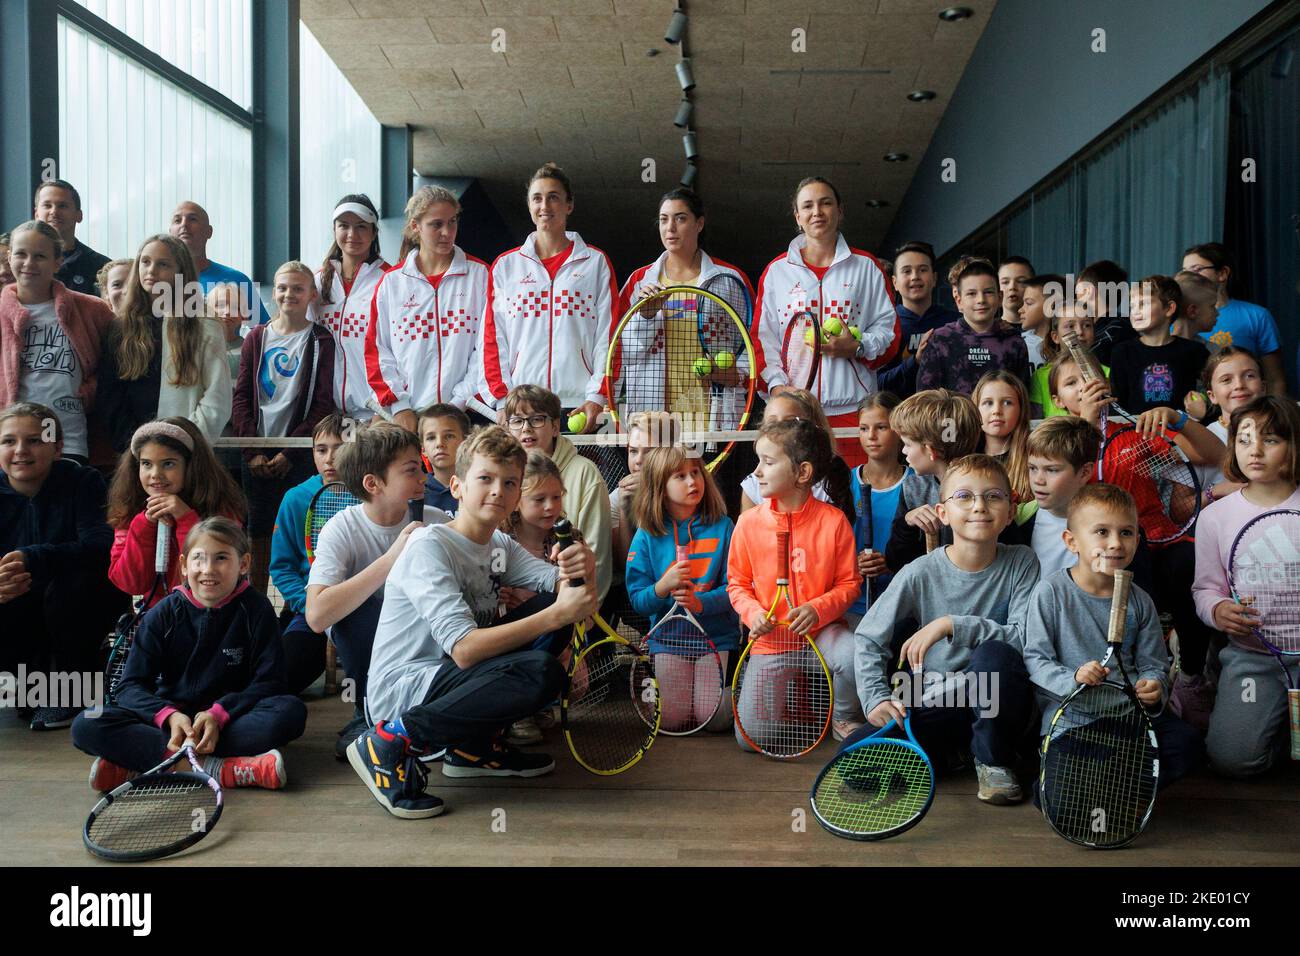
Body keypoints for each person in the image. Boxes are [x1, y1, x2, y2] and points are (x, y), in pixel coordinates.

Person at [349, 426, 598, 819]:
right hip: (404, 692)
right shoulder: (428, 547)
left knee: (551, 612)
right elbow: (464, 650)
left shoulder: (499, 544)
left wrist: (583, 566)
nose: (498, 490)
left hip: (449, 676)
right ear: (457, 486)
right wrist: (558, 611)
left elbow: (566, 592)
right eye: (485, 478)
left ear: (517, 495)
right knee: (538, 670)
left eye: (509, 482)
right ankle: (387, 741)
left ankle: (471, 750)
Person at [1050, 352, 1225, 728]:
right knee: (1129, 554)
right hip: (1106, 558)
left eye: (1092, 377)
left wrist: (1179, 419)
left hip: (1162, 542)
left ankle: (1191, 675)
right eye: (1072, 382)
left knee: (1189, 564)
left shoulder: (1133, 431)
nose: (1086, 385)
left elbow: (1218, 456)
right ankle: (1140, 679)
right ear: (1057, 400)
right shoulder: (1054, 444)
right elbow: (1060, 492)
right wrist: (1085, 426)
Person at [852, 454, 1040, 805]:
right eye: (964, 497)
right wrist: (876, 697)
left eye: (993, 496)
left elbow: (1025, 637)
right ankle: (954, 754)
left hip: (999, 697)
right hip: (942, 697)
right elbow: (867, 636)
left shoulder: (1021, 561)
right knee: (855, 762)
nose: (979, 507)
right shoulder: (920, 571)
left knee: (995, 655)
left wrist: (951, 624)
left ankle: (992, 760)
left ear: (1010, 511)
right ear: (942, 514)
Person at [71, 517, 307, 794]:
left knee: (290, 712)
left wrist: (219, 714)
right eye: (198, 559)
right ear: (183, 565)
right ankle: (220, 770)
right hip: (170, 726)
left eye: (221, 558)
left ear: (243, 564)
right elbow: (129, 687)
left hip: (230, 721)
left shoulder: (257, 610)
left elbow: (271, 682)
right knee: (87, 723)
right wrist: (168, 716)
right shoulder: (162, 614)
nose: (208, 569)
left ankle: (143, 766)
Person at [1024, 483, 1203, 792]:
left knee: (1187, 745)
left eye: (1126, 533)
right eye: (1102, 532)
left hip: (1129, 718)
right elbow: (1036, 660)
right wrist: (1073, 677)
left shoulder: (1140, 600)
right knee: (1059, 799)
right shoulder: (1050, 593)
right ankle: (1103, 779)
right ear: (1072, 541)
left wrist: (1153, 685)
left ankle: (1110, 780)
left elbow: (1153, 664)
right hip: (1074, 723)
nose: (1116, 544)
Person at [304, 422, 450, 757]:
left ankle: (421, 711)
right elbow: (316, 616)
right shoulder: (340, 528)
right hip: (365, 639)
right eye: (412, 471)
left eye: (421, 469)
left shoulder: (436, 520)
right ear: (373, 483)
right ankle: (366, 711)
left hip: (421, 640)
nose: (423, 479)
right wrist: (395, 555)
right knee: (354, 612)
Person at [728, 419, 864, 743]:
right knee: (750, 740)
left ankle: (844, 717)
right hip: (772, 640)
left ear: (802, 473)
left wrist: (818, 609)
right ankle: (775, 700)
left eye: (768, 462)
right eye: (758, 460)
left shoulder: (834, 521)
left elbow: (849, 584)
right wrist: (752, 615)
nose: (757, 471)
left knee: (854, 655)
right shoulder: (747, 524)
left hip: (824, 632)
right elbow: (737, 584)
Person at [752, 176, 900, 466]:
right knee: (800, 496)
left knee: (854, 498)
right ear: (798, 216)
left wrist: (856, 346)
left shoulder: (867, 267)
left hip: (855, 410)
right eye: (807, 206)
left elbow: (890, 334)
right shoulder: (776, 272)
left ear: (840, 210)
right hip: (796, 411)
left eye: (825, 203)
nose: (816, 212)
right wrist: (777, 387)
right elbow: (763, 338)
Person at [1192, 396, 1300, 777]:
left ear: (1293, 445)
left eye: (1270, 440)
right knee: (1231, 760)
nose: (1254, 450)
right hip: (1254, 658)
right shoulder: (1216, 518)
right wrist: (1219, 611)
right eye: (1243, 439)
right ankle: (1278, 733)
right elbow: (1205, 590)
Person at [0, 403, 125, 730]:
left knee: (72, 585)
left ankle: (73, 690)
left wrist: (36, 557)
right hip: (20, 602)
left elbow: (101, 546)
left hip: (75, 600)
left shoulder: (83, 480)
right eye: (9, 441)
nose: (20, 451)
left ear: (57, 448)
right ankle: (30, 686)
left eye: (34, 441)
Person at [479, 163, 618, 433]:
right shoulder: (505, 267)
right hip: (522, 408)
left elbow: (608, 337)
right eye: (537, 198)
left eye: (554, 197)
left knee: (580, 475)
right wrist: (502, 401)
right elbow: (493, 339)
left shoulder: (595, 262)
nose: (545, 206)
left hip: (579, 405)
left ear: (569, 205)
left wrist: (596, 396)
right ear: (529, 206)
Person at [231, 261, 335, 595]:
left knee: (299, 529)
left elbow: (321, 403)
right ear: (273, 292)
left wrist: (289, 452)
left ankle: (299, 605)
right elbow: (243, 397)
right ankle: (256, 601)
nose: (289, 294)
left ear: (312, 295)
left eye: (297, 288)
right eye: (282, 288)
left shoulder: (320, 340)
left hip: (298, 455)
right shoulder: (256, 337)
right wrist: (252, 452)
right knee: (258, 531)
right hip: (257, 456)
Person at [626, 445, 739, 733]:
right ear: (660, 489)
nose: (692, 482)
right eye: (680, 476)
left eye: (696, 472)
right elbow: (638, 600)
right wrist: (662, 588)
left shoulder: (724, 526)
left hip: (715, 639)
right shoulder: (646, 534)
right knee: (673, 721)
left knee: (710, 719)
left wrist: (700, 603)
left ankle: (741, 689)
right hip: (668, 640)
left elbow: (735, 589)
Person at [367, 186, 489, 433]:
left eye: (452, 222)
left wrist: (456, 404)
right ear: (415, 226)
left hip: (463, 415)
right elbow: (377, 350)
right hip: (407, 417)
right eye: (436, 224)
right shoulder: (391, 282)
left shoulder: (481, 275)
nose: (447, 232)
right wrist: (400, 407)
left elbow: (487, 348)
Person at [95, 234, 232, 451]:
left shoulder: (204, 324)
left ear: (181, 271)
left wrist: (184, 443)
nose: (151, 270)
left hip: (187, 450)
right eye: (145, 262)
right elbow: (111, 397)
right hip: (132, 452)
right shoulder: (120, 328)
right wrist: (134, 448)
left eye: (163, 264)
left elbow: (217, 397)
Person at [0, 220, 114, 464]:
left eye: (39, 256)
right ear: (9, 257)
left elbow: (115, 367)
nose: (29, 263)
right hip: (11, 444)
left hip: (69, 438)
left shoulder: (92, 310)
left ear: (58, 261)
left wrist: (89, 392)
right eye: (21, 254)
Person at [105, 418, 246, 607]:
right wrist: (144, 524)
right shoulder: (130, 509)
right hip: (159, 619)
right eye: (146, 464)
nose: (155, 474)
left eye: (168, 463)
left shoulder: (221, 507)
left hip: (213, 615)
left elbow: (209, 577)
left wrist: (186, 520)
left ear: (191, 466)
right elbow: (130, 583)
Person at [500, 385, 612, 601]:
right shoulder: (500, 475)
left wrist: (581, 607)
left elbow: (597, 558)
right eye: (517, 421)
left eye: (536, 419)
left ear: (554, 426)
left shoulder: (584, 472)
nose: (526, 428)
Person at [268, 413, 346, 695]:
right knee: (281, 678)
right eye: (321, 450)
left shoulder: (374, 495)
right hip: (311, 613)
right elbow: (282, 567)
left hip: (362, 611)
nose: (329, 459)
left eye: (340, 449)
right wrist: (311, 605)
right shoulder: (295, 498)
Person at [883, 388, 982, 571]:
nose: (903, 451)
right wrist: (908, 523)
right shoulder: (913, 488)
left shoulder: (985, 486)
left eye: (907, 444)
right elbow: (895, 562)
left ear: (930, 450)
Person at [311, 194, 390, 422]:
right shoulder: (317, 281)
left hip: (376, 413)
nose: (352, 235)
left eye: (361, 227)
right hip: (327, 413)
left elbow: (398, 350)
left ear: (374, 232)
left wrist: (385, 407)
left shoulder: (390, 280)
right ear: (334, 229)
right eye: (343, 226)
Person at [1181, 242, 1287, 395]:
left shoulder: (1257, 316)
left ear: (1222, 273)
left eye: (1197, 269)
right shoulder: (1176, 318)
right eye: (1185, 271)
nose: (1189, 277)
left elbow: (1275, 379)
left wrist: (1273, 416)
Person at [917, 258, 1029, 394]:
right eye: (971, 294)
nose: (981, 300)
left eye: (988, 292)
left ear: (1000, 297)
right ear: (959, 301)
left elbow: (1023, 398)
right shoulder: (940, 340)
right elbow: (925, 400)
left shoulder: (1014, 342)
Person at [847, 392, 907, 629]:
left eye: (881, 427)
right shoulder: (845, 482)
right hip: (853, 604)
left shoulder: (914, 484)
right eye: (863, 428)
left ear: (899, 429)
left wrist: (892, 561)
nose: (871, 436)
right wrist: (854, 564)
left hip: (900, 605)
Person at [1109, 275, 1208, 416]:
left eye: (1143, 304)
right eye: (1132, 306)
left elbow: (1214, 391)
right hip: (1136, 434)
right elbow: (1117, 403)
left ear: (1169, 308)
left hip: (1182, 433)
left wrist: (1203, 404)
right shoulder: (1122, 352)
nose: (1135, 311)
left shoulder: (1194, 351)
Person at [738, 388, 847, 514]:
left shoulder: (831, 481)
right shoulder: (753, 484)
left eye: (789, 421)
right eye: (772, 422)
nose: (779, 428)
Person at [878, 241, 960, 399]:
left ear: (934, 278)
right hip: (899, 419)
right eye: (907, 271)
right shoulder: (882, 325)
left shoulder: (955, 323)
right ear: (894, 282)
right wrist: (915, 361)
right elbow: (878, 383)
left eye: (922, 270)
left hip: (948, 419)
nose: (915, 277)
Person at [168, 200, 271, 326]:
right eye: (177, 220)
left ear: (209, 231)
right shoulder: (159, 279)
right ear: (170, 232)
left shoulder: (237, 280)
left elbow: (264, 333)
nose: (184, 225)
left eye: (192, 219)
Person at [1186, 347, 1264, 500]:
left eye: (1249, 376)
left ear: (1263, 387)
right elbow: (1178, 512)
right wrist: (1214, 492)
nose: (1239, 385)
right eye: (1226, 380)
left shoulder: (1286, 431)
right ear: (1212, 396)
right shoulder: (1198, 440)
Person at [33, 180, 110, 296]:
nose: (54, 211)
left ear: (79, 215)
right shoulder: (19, 262)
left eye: (62, 206)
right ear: (36, 215)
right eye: (47, 205)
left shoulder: (100, 267)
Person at [1029, 304, 1103, 419]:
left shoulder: (1107, 372)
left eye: (1087, 325)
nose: (1079, 332)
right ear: (1055, 337)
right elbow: (1034, 424)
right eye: (1070, 326)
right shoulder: (1040, 377)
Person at [1074, 259, 1132, 365]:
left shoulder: (1111, 332)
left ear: (1088, 291)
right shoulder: (1127, 324)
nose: (1076, 298)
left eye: (1077, 291)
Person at [418, 403, 470, 516]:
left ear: (466, 442)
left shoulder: (478, 485)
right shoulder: (416, 491)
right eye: (431, 438)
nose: (439, 444)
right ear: (423, 450)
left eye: (449, 436)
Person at [1017, 273, 1062, 376]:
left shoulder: (1068, 345)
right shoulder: (1018, 343)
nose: (1020, 310)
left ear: (1051, 306)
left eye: (1028, 303)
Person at [1172, 269, 1220, 348]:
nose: (1218, 313)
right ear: (1192, 311)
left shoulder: (1213, 350)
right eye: (1212, 306)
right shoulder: (1210, 353)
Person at [996, 256, 1034, 327]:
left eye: (1020, 281)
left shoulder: (1045, 331)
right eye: (1005, 282)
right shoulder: (987, 331)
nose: (1012, 287)